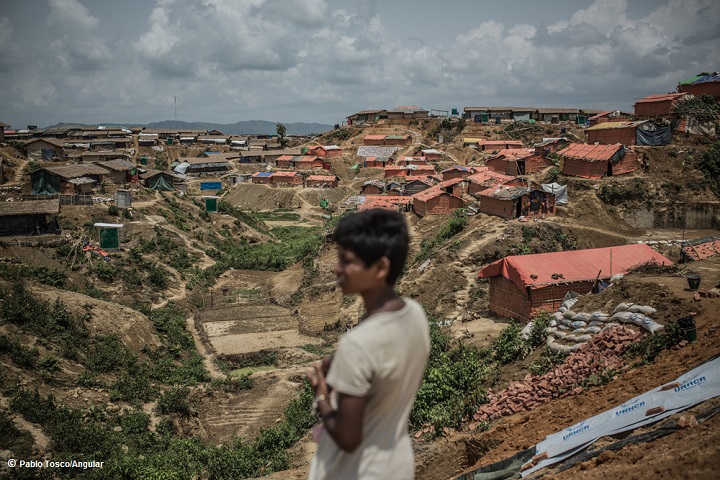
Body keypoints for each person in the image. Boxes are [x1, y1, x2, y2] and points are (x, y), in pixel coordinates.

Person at [306, 209, 430, 480]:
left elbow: (348, 437)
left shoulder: (358, 345)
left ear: (381, 268)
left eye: (346, 261)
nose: (336, 268)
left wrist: (321, 395)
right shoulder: (414, 314)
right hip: (395, 466)